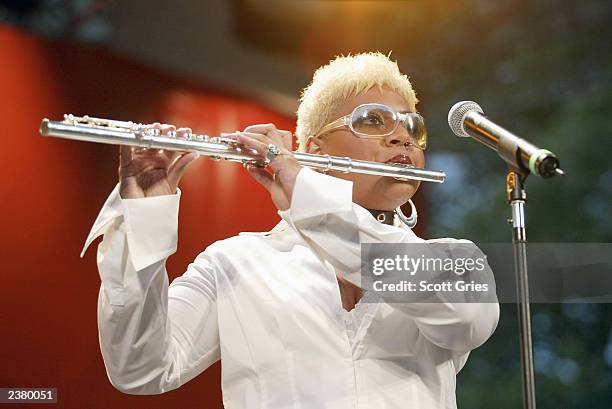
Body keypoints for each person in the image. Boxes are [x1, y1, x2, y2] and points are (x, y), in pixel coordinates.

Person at [82, 52, 499, 408]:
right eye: (374, 121)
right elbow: (140, 368)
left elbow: (467, 319)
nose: (401, 139)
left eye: (412, 128)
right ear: (314, 151)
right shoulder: (235, 263)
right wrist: (144, 220)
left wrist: (304, 190)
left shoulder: (452, 262)